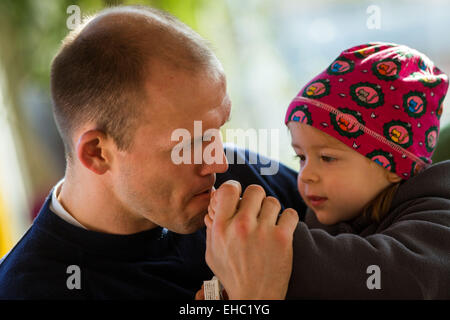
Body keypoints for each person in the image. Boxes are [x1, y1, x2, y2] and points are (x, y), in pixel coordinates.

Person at [0, 5, 305, 299]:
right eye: (189, 144)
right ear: (97, 153)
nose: (219, 161)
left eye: (218, 130)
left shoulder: (245, 179)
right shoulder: (31, 289)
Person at [205, 42, 450, 299]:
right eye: (300, 157)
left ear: (393, 165)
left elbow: (382, 275)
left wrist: (270, 239)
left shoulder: (439, 216)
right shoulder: (333, 218)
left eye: (327, 158)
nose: (306, 174)